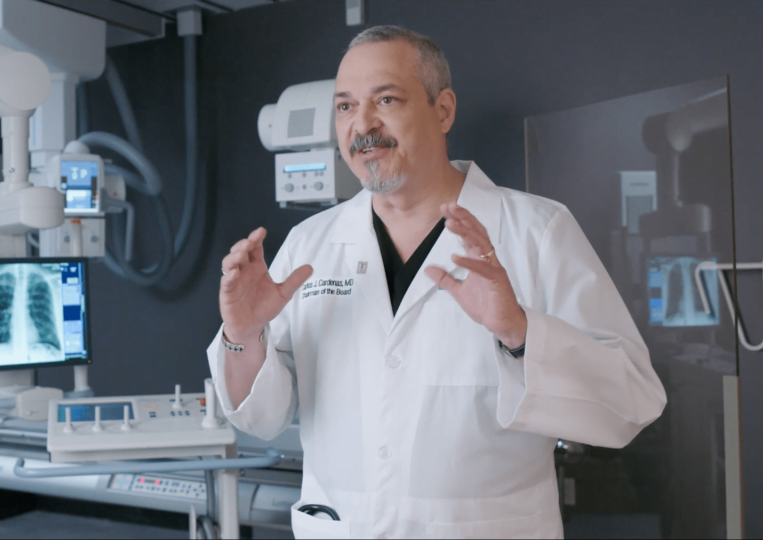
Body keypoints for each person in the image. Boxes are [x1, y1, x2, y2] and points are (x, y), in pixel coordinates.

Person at [207, 25, 666, 539]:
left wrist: (519, 333)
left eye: (386, 99)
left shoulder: (537, 232)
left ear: (443, 110)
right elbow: (262, 417)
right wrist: (243, 336)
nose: (362, 124)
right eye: (345, 106)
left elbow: (632, 404)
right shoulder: (309, 245)